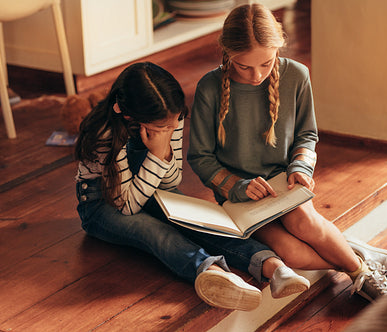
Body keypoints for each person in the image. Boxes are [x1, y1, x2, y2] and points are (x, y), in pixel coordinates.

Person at [187, 4, 387, 302]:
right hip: (239, 197)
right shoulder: (209, 88)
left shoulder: (296, 75)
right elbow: (200, 157)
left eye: (266, 64)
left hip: (284, 184)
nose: (257, 75)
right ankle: (357, 257)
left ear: (278, 48)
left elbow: (307, 135)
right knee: (291, 253)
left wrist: (301, 168)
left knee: (301, 222)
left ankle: (362, 278)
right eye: (244, 66)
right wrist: (238, 187)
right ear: (227, 53)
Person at [74, 62, 311, 312]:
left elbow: (171, 181)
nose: (172, 129)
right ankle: (214, 274)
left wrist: (163, 147)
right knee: (156, 232)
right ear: (131, 117)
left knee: (200, 223)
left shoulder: (172, 117)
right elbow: (129, 206)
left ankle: (274, 267)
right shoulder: (105, 134)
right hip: (102, 203)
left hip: (150, 187)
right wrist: (156, 154)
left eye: (174, 123)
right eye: (162, 128)